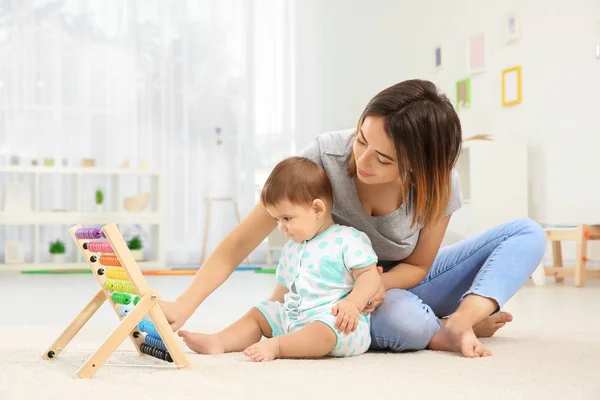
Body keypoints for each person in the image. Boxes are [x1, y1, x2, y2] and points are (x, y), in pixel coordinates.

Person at [162, 79, 547, 358]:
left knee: (527, 233)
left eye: (384, 159)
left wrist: (370, 284)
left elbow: (418, 265)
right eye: (362, 140)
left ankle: (462, 320)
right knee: (404, 323)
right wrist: (184, 306)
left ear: (420, 166)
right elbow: (240, 244)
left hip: (400, 281)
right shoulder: (324, 156)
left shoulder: (440, 182)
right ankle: (434, 327)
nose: (362, 161)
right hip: (337, 296)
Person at [178, 156, 381, 362]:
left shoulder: (347, 238)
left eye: (287, 218)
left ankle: (278, 347)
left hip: (338, 323)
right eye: (277, 220)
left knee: (324, 329)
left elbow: (369, 275)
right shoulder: (291, 248)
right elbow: (281, 294)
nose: (281, 227)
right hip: (295, 320)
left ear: (317, 209)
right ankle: (220, 341)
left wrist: (353, 304)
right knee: (261, 312)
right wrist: (267, 315)